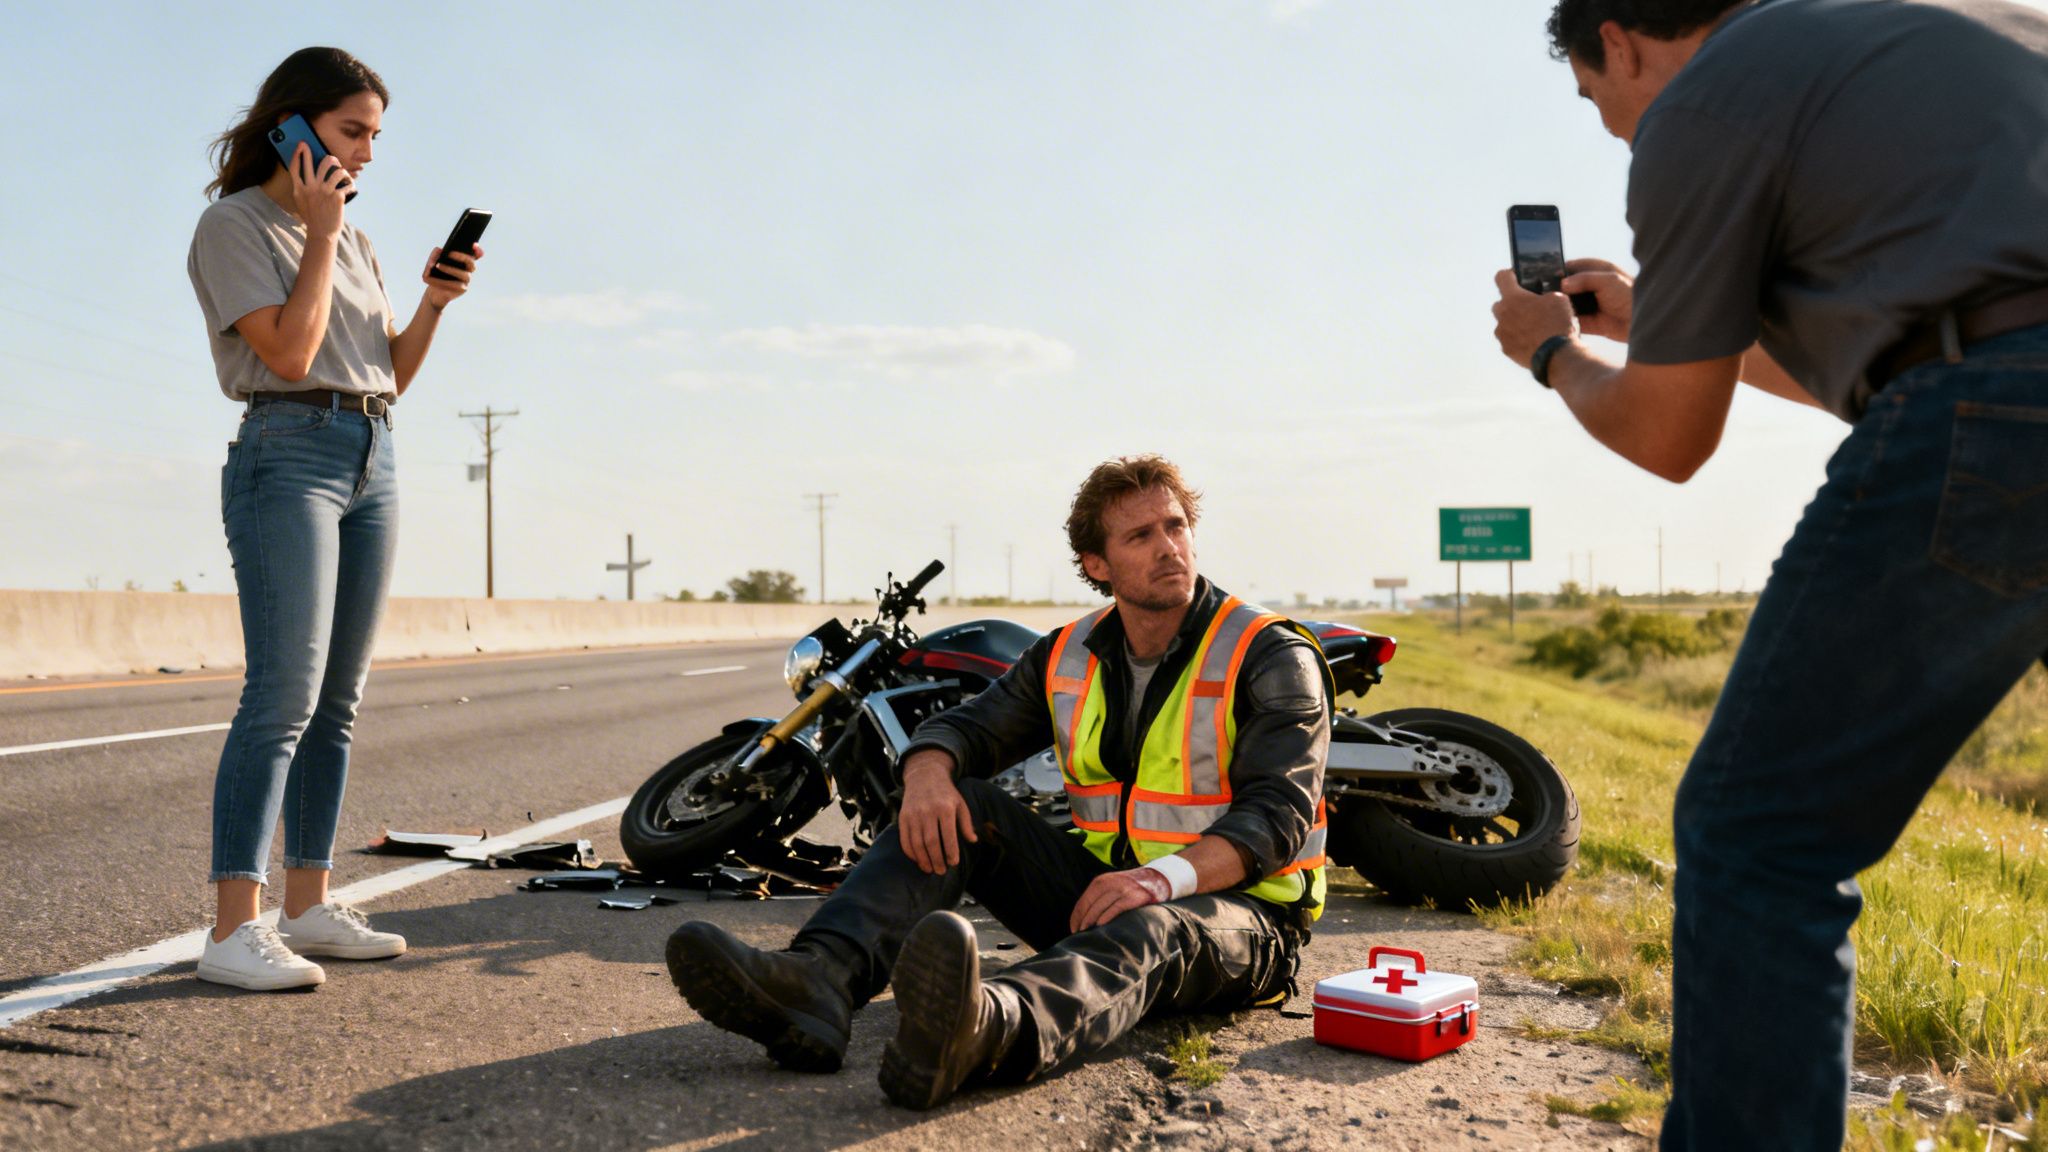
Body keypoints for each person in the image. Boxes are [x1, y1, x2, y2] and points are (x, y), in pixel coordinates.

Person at [1490, 2, 2048, 1146]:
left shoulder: (1701, 106)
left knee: (1758, 835)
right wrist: (1666, 319)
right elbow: (1887, 345)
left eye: (1597, 100)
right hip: (1997, 366)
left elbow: (1665, 433)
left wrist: (1554, 352)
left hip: (2003, 415)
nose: (1611, 132)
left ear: (1622, 39)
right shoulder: (1946, 27)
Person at [665, 454, 1330, 1109]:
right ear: (1097, 566)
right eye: (1140, 535)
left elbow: (1277, 816)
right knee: (968, 806)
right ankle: (817, 981)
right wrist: (926, 775)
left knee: (1159, 927)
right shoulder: (1069, 651)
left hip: (1247, 918)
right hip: (1102, 895)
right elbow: (967, 729)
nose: (1168, 548)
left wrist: (1159, 881)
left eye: (1176, 526)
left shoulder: (1269, 653)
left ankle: (990, 1026)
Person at [187, 47, 482, 991]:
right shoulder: (234, 226)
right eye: (352, 131)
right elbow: (291, 351)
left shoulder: (356, 241)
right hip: (289, 453)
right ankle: (234, 926)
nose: (366, 153)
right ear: (293, 125)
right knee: (282, 696)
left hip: (372, 452)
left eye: (375, 138)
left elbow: (387, 373)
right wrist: (318, 230)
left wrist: (433, 303)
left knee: (337, 705)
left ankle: (308, 906)